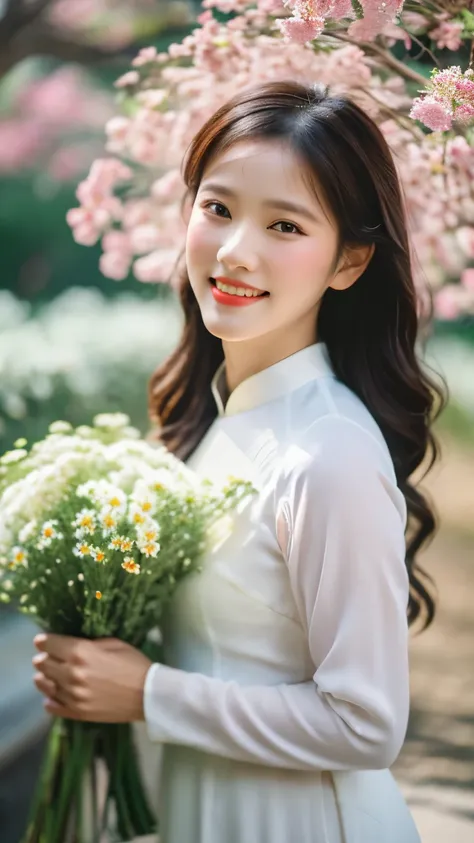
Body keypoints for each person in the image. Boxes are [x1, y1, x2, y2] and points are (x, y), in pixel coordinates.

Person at [32, 80, 446, 843]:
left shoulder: (331, 453)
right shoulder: (218, 422)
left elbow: (367, 725)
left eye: (285, 225)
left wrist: (149, 692)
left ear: (350, 260)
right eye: (217, 208)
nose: (234, 251)